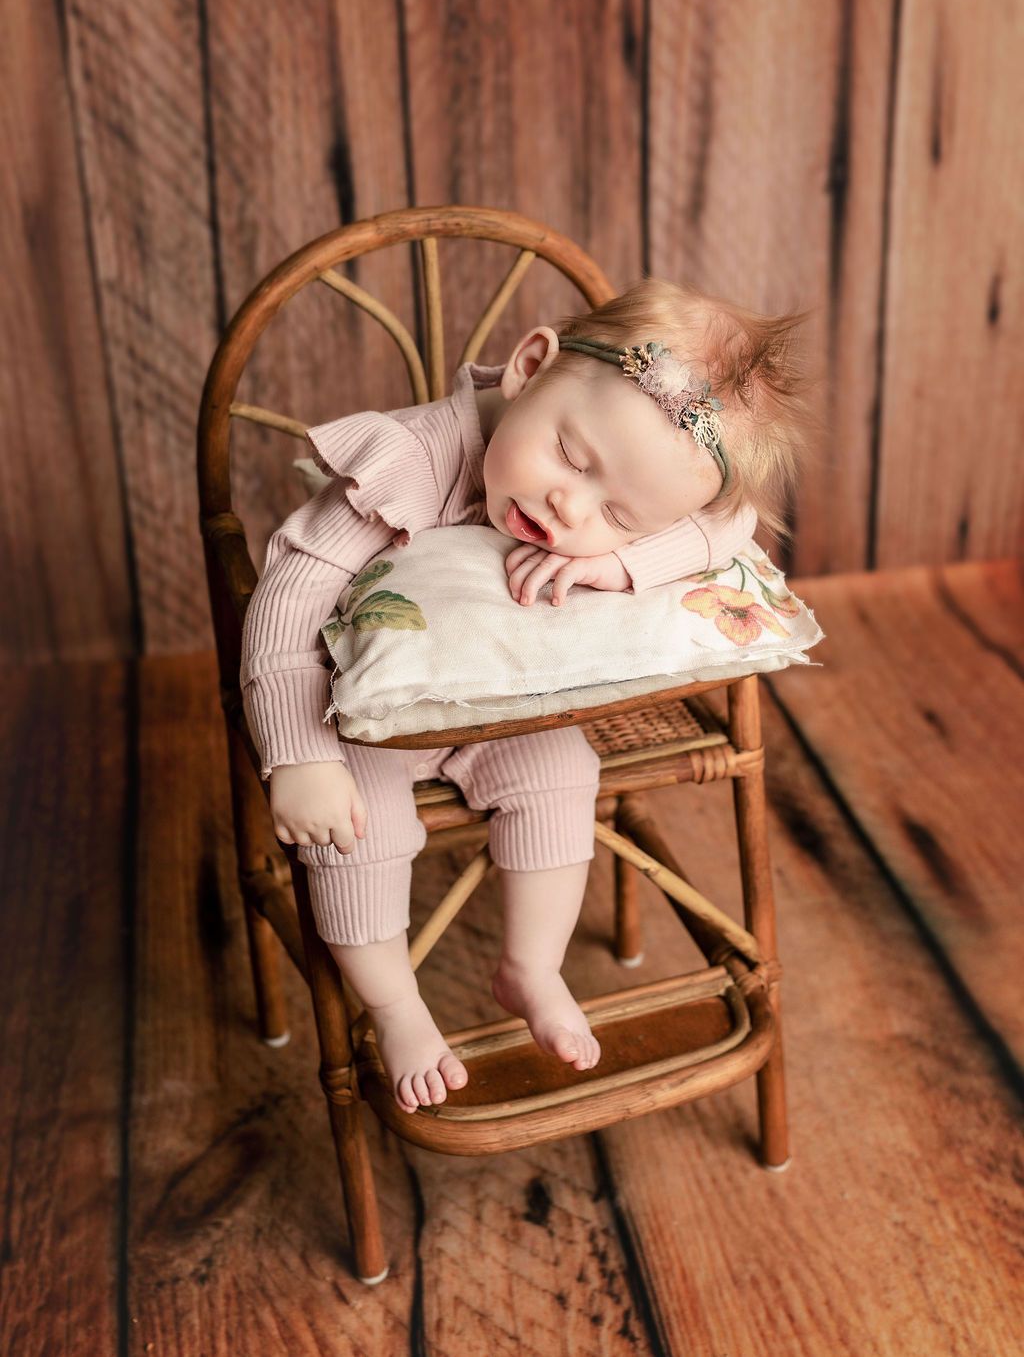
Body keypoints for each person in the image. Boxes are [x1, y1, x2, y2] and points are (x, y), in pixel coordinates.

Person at [240, 277, 817, 1115]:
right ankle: (396, 1008)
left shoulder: (600, 519)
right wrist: (297, 751)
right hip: (354, 717)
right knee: (358, 831)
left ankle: (531, 966)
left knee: (559, 775)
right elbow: (288, 594)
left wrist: (616, 561)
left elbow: (727, 526)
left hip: (501, 711)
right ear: (530, 366)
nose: (568, 503)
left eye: (618, 510)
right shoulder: (413, 460)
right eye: (572, 458)